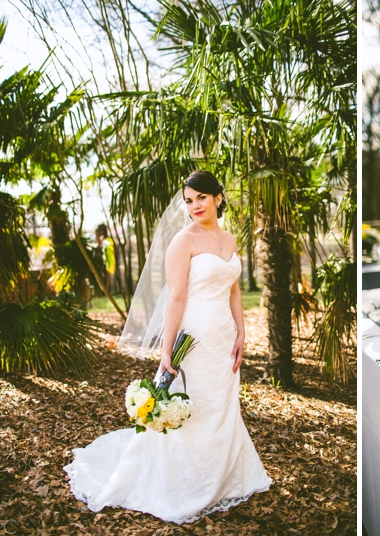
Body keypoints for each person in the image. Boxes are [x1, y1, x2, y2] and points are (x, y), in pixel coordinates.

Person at [64, 171, 272, 523]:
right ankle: (187, 480)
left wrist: (241, 332)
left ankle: (223, 476)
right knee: (195, 405)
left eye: (201, 198)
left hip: (224, 337)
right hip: (194, 337)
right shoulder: (183, 241)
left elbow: (234, 290)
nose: (194, 206)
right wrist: (165, 350)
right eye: (189, 200)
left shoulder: (230, 238)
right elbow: (176, 297)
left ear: (218, 198)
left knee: (222, 405)